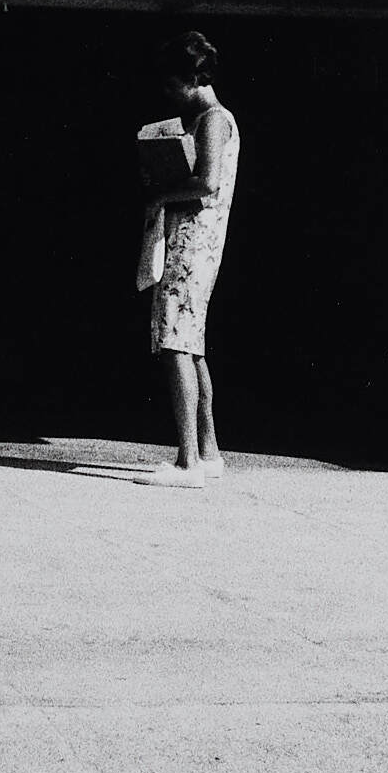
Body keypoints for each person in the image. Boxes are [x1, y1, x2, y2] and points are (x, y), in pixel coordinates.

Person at [138, 31, 238, 487]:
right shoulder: (209, 119)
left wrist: (160, 194)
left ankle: (187, 461)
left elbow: (207, 181)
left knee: (175, 343)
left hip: (191, 243)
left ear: (191, 79)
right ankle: (209, 451)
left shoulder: (213, 120)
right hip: (197, 243)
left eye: (172, 83)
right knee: (190, 345)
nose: (168, 93)